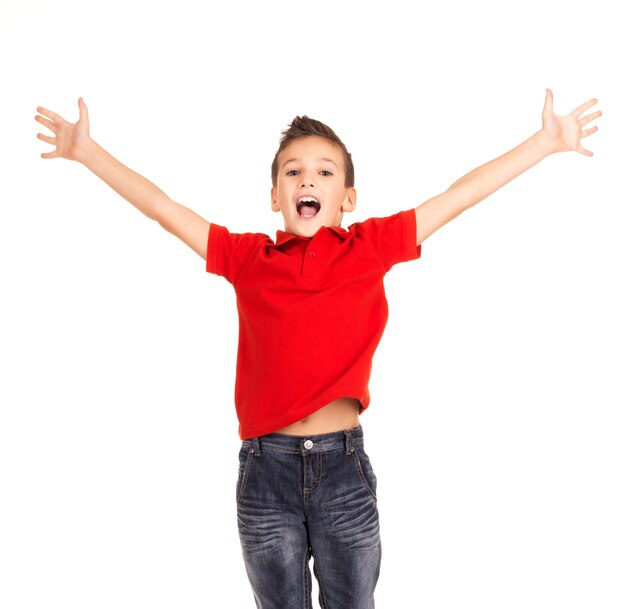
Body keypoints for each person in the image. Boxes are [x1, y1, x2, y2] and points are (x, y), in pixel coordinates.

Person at [35, 90, 601, 608]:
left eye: (324, 172)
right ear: (276, 195)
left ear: (347, 197)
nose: (308, 180)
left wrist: (544, 143)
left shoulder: (370, 247)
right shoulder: (247, 257)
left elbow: (456, 198)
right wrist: (89, 153)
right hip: (265, 473)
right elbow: (163, 207)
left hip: (342, 469)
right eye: (294, 172)